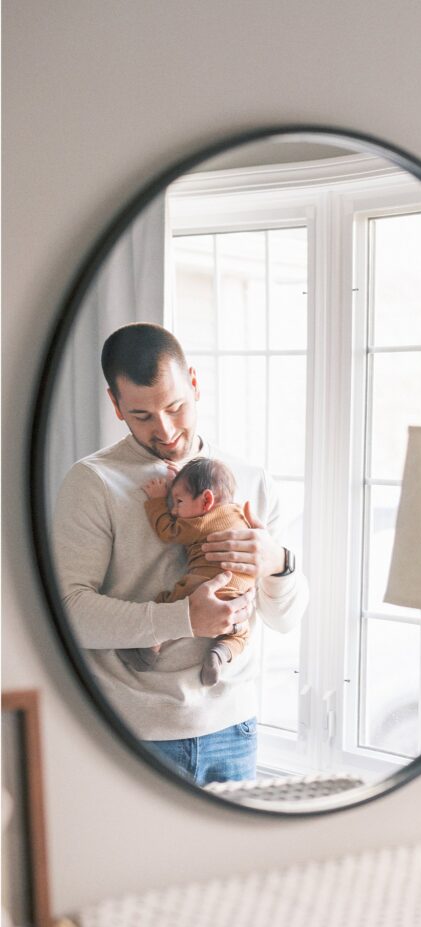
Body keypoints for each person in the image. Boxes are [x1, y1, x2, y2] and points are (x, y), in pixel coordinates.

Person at [53, 323, 308, 786]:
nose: (166, 430)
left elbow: (285, 619)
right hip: (133, 734)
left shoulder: (250, 478)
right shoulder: (93, 483)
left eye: (175, 407)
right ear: (115, 405)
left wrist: (278, 562)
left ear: (194, 381)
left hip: (235, 728)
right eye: (142, 415)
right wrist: (185, 620)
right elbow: (69, 613)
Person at [118, 457, 256, 689]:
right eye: (172, 502)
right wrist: (179, 487)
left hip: (203, 586)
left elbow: (168, 531)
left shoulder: (200, 522)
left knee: (166, 604)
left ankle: (148, 649)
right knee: (241, 633)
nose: (174, 510)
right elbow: (193, 497)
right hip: (239, 599)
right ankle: (219, 655)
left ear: (207, 501)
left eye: (178, 501)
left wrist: (158, 501)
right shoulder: (238, 516)